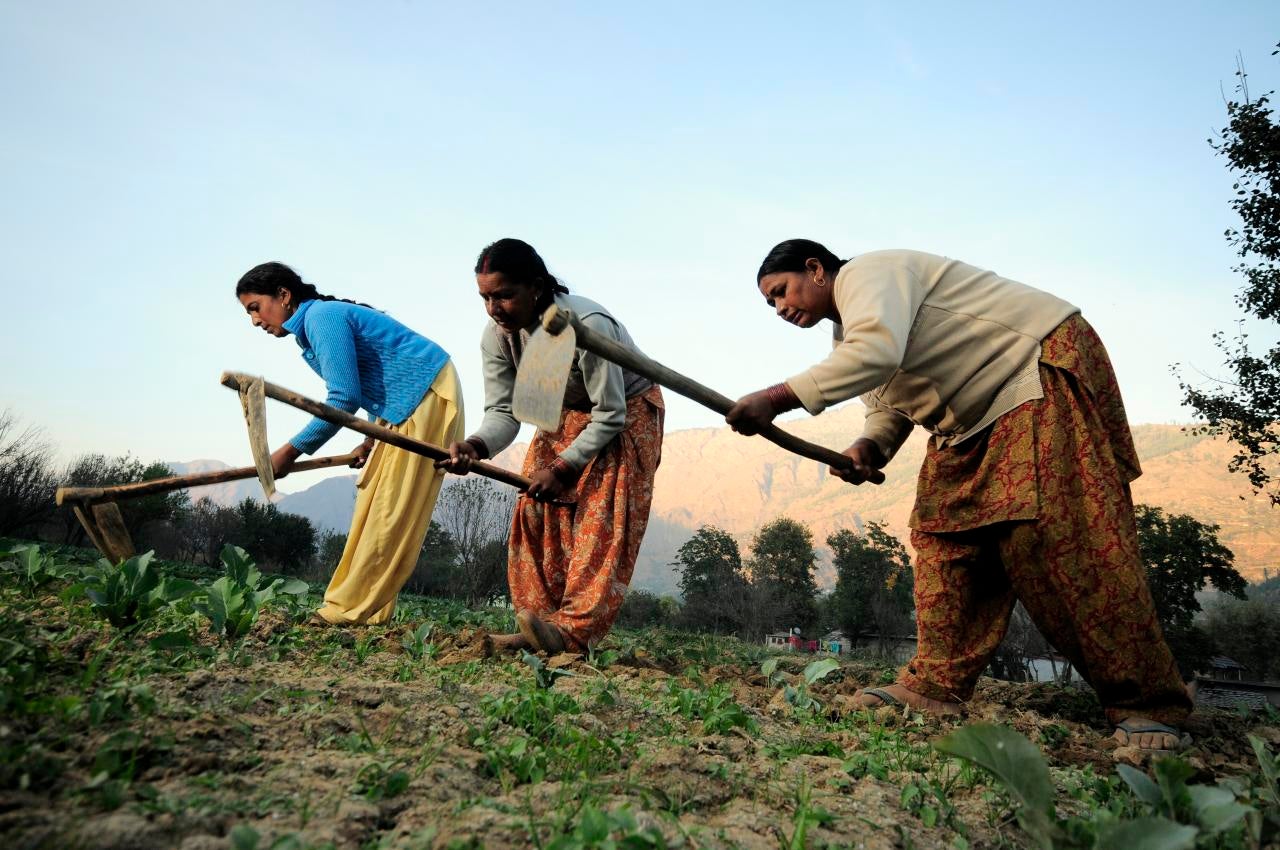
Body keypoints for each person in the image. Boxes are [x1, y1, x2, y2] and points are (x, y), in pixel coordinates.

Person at [725, 240, 1193, 750]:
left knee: (1061, 539)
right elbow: (889, 404)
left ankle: (1148, 704)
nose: (780, 308)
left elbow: (875, 354)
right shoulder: (849, 337)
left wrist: (774, 399)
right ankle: (936, 685)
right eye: (770, 304)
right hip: (967, 423)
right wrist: (867, 448)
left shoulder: (869, 275)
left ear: (815, 269)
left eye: (781, 291)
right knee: (943, 537)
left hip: (1030, 371)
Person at [439, 239, 664, 655]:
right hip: (562, 412)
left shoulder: (586, 324)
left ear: (537, 287)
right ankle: (540, 627)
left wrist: (564, 468)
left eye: (505, 295)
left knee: (600, 522)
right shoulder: (498, 337)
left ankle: (572, 633)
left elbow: (610, 414)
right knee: (536, 508)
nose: (494, 308)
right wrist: (475, 445)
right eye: (486, 297)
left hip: (625, 413)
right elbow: (504, 412)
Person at [235, 261, 463, 625]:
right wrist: (370, 440)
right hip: (401, 403)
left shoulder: (321, 318)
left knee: (390, 508)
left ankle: (345, 610)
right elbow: (378, 381)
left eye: (255, 308)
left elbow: (344, 397)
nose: (255, 321)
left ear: (283, 295)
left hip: (425, 393)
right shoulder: (315, 325)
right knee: (373, 500)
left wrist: (291, 450)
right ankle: (366, 610)